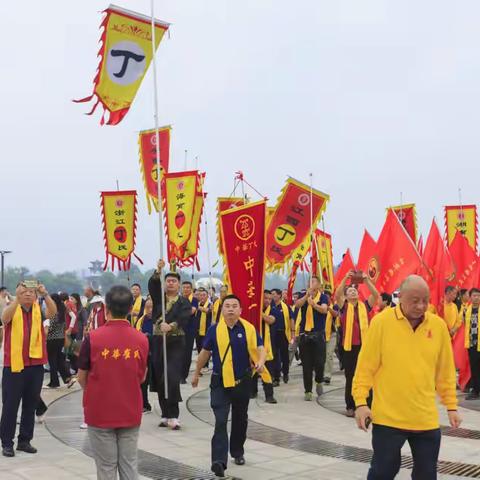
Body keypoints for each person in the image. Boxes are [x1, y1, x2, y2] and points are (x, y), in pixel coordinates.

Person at [353, 275, 461, 480]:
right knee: (383, 472)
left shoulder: (438, 327)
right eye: (414, 300)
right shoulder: (381, 323)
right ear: (400, 297)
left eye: (425, 300)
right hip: (388, 418)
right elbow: (365, 367)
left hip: (425, 418)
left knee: (426, 474)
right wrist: (360, 402)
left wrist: (452, 406)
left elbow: (445, 371)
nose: (421, 306)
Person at [78, 285, 149, 480]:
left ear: (106, 308)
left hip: (99, 411)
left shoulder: (92, 338)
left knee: (106, 467)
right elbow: (142, 376)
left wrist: (94, 390)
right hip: (130, 410)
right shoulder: (141, 339)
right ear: (129, 309)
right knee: (129, 465)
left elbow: (81, 376)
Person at [192, 295, 266, 478]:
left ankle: (237, 451)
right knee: (221, 420)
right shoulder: (214, 330)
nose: (231, 309)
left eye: (234, 306)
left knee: (240, 419)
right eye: (227, 306)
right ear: (222, 310)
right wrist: (196, 373)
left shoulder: (248, 328)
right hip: (220, 383)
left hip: (242, 381)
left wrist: (261, 362)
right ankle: (218, 461)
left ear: (240, 310)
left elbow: (260, 347)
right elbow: (204, 353)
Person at [0, 282, 56, 457]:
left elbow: (53, 313)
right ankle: (7, 443)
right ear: (18, 293)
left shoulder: (38, 309)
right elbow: (4, 319)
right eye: (24, 292)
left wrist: (45, 294)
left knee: (30, 405)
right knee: (10, 405)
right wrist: (16, 299)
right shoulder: (12, 307)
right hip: (14, 365)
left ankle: (25, 441)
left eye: (31, 292)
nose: (28, 295)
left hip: (36, 364)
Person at [149, 260, 191, 430]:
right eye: (168, 281)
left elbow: (185, 318)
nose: (171, 283)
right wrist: (158, 269)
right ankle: (165, 414)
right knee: (159, 377)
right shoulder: (159, 298)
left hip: (175, 342)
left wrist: (172, 325)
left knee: (171, 377)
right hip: (159, 341)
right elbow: (152, 285)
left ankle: (174, 414)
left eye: (174, 281)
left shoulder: (183, 302)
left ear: (179, 284)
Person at [335, 270, 379, 417]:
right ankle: (350, 405)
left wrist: (366, 281)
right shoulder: (344, 306)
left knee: (367, 376)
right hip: (348, 348)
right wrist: (345, 279)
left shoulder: (365, 306)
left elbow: (376, 295)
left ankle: (368, 404)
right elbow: (337, 295)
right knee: (351, 377)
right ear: (347, 296)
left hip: (364, 347)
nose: (353, 292)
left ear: (358, 294)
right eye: (350, 291)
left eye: (355, 291)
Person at [294, 276, 329, 401]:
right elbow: (297, 305)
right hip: (305, 335)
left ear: (319, 284)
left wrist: (314, 305)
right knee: (306, 365)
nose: (311, 283)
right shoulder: (304, 295)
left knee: (320, 363)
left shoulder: (323, 297)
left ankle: (319, 380)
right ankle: (308, 390)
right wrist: (306, 296)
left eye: (314, 281)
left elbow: (324, 310)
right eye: (310, 281)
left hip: (318, 335)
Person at [251, 290, 277, 404]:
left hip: (267, 348)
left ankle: (269, 395)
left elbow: (270, 320)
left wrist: (258, 312)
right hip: (253, 345)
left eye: (269, 299)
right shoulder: (252, 309)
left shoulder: (273, 310)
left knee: (268, 372)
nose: (267, 301)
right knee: (252, 370)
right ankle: (252, 391)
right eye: (265, 298)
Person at [45, 293, 75, 389]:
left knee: (52, 361)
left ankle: (54, 382)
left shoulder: (54, 312)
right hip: (61, 339)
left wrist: (45, 325)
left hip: (52, 339)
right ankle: (68, 378)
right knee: (59, 360)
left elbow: (51, 326)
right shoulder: (62, 311)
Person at [134, 298, 154, 413]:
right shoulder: (141, 320)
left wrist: (149, 336)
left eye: (152, 307)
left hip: (156, 353)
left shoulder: (159, 320)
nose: (150, 310)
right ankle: (144, 403)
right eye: (147, 307)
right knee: (143, 381)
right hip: (143, 354)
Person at [270, 288, 294, 385]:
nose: (272, 296)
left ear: (279, 295)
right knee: (274, 355)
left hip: (283, 334)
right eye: (271, 294)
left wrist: (293, 332)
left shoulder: (285, 307)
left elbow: (291, 318)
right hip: (272, 334)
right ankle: (276, 377)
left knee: (284, 355)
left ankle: (285, 373)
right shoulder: (269, 307)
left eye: (274, 294)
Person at [181, 280, 199, 383]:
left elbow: (192, 311)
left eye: (188, 287)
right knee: (178, 352)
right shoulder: (178, 299)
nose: (186, 289)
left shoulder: (194, 300)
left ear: (191, 289)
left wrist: (180, 312)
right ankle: (178, 374)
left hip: (190, 330)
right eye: (184, 287)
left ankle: (183, 376)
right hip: (178, 329)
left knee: (187, 353)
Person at [464, 287, 480, 400]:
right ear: (470, 297)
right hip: (472, 344)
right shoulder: (466, 310)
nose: (477, 297)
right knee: (474, 368)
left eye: (478, 296)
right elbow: (460, 321)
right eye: (474, 295)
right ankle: (475, 390)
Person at [323, 293, 339, 385]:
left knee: (329, 355)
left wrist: (328, 308)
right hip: (321, 334)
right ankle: (320, 373)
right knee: (321, 356)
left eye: (327, 298)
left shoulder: (335, 306)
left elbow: (336, 314)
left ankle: (327, 375)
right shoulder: (319, 306)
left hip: (331, 334)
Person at [195, 288, 212, 368]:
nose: (202, 297)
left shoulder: (210, 304)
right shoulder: (198, 304)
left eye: (204, 295)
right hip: (197, 330)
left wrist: (198, 307)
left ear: (207, 296)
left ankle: (206, 365)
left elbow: (208, 311)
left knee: (205, 348)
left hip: (207, 330)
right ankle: (201, 364)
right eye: (200, 295)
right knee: (199, 347)